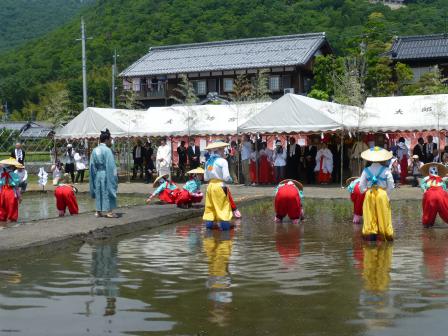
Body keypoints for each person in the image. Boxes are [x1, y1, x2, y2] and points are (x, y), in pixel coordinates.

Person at [359, 147, 394, 241]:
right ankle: (384, 235)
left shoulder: (366, 170)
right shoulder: (386, 170)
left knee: (370, 215)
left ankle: (371, 237)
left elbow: (361, 187)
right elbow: (391, 185)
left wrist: (366, 190)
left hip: (369, 193)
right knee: (383, 215)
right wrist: (386, 194)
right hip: (382, 194)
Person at [203, 141, 234, 230]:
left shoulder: (208, 162)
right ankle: (225, 234)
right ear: (219, 150)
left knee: (210, 207)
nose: (224, 152)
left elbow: (205, 178)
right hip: (220, 186)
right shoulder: (223, 161)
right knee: (223, 207)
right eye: (223, 150)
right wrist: (230, 179)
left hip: (210, 186)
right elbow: (226, 177)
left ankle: (209, 229)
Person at [89, 129, 118, 218]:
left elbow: (92, 166)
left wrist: (93, 176)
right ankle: (109, 211)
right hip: (106, 173)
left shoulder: (94, 150)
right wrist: (114, 176)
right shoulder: (107, 150)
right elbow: (111, 165)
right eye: (110, 139)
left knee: (98, 190)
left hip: (98, 173)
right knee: (107, 190)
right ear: (106, 140)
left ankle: (98, 211)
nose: (110, 141)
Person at [420, 162, 448, 228]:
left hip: (430, 195)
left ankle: (427, 225)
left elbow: (424, 189)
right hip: (441, 194)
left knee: (428, 213)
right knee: (446, 210)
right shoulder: (441, 179)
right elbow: (444, 188)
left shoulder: (425, 179)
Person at [0, 158, 22, 222]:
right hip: (10, 192)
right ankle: (11, 219)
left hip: (3, 191)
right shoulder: (15, 175)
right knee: (12, 206)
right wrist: (19, 197)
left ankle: (2, 219)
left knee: (2, 205)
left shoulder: (1, 174)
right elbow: (16, 188)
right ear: (12, 167)